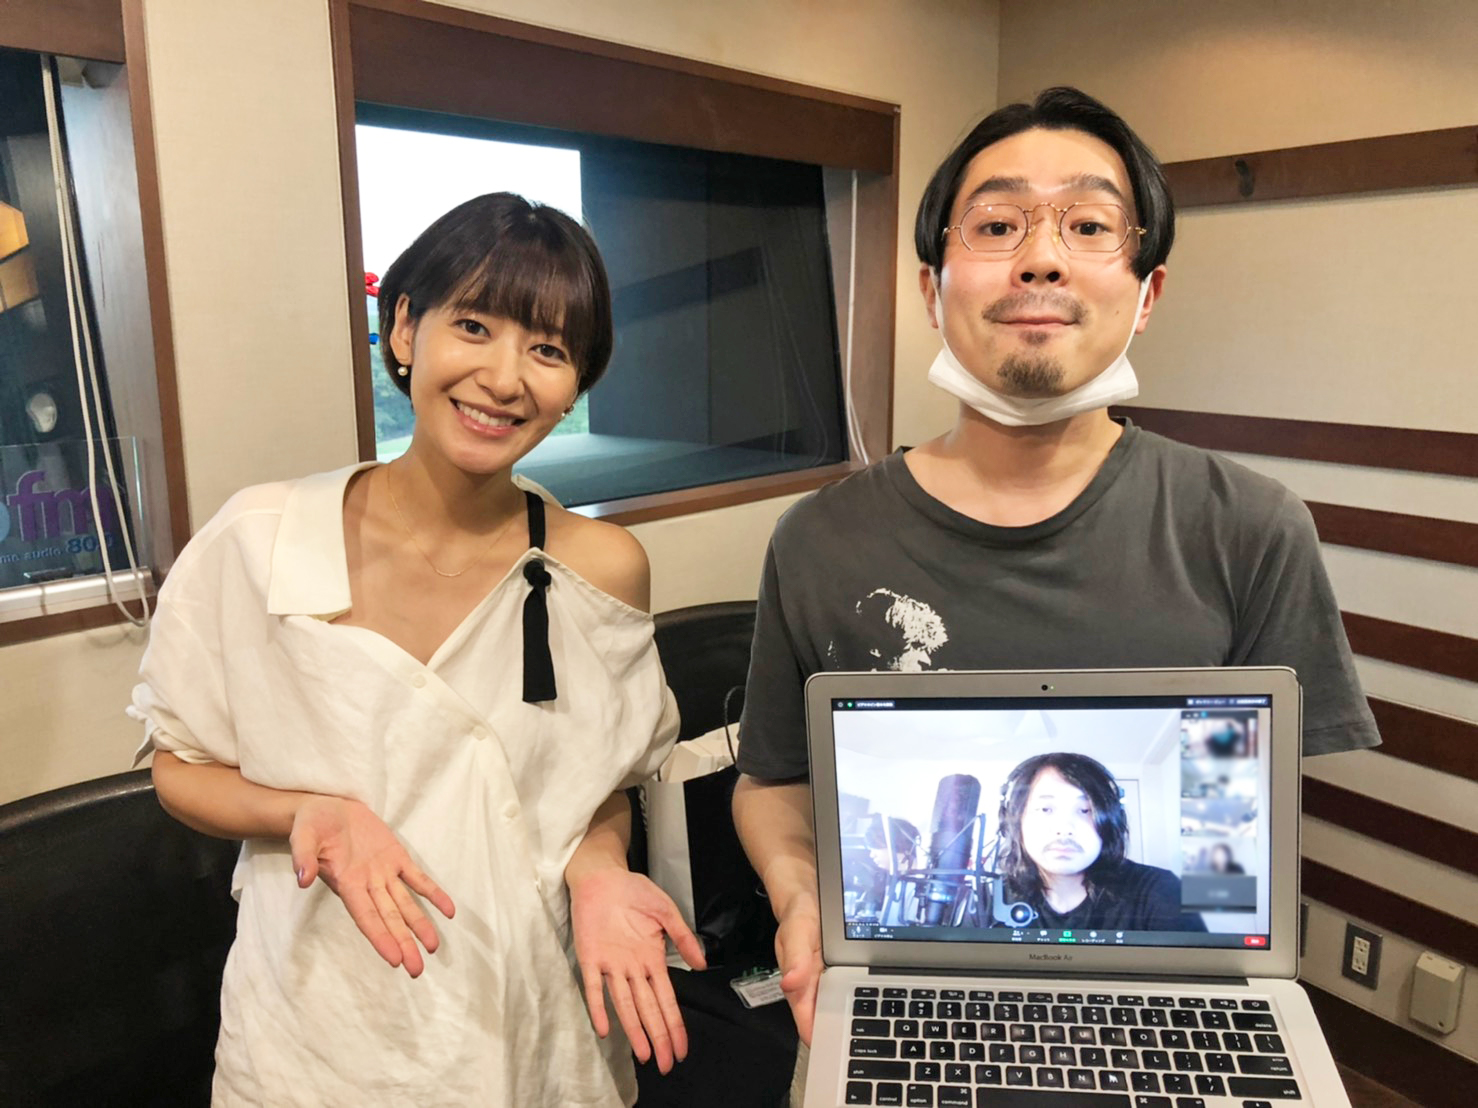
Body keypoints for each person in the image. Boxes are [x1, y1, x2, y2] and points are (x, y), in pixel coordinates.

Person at [732, 87, 1380, 1045]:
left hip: (1164, 1023)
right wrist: (799, 896)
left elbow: (1232, 835)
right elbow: (774, 780)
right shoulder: (820, 539)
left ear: (1147, 294)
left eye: (1088, 225)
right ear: (930, 289)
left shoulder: (1246, 529)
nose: (1040, 257)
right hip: (905, 1006)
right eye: (998, 225)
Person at [129, 193, 703, 1107]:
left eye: (548, 350)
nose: (504, 379)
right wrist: (307, 813)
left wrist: (601, 871)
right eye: (474, 326)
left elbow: (596, 787)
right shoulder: (262, 540)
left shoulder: (600, 568)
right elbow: (179, 766)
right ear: (404, 328)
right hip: (317, 1041)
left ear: (576, 383)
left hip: (533, 1033)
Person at [994, 753, 1204, 932]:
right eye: (1045, 809)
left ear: (1110, 821)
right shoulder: (992, 896)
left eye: (1085, 810)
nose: (1064, 828)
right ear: (1013, 821)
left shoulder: (1158, 890)